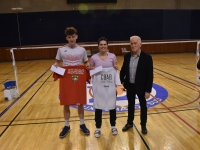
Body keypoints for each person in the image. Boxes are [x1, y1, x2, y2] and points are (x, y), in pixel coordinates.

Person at [54, 27, 90, 138]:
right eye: (69, 37)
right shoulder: (61, 49)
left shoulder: (82, 50)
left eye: (73, 36)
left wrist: (87, 65)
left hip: (78, 78)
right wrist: (55, 66)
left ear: (76, 36)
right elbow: (57, 62)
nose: (71, 39)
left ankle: (82, 124)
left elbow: (86, 62)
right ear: (66, 38)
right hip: (66, 78)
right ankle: (66, 125)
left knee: (80, 102)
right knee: (66, 102)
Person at [120, 36, 153, 134]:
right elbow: (123, 71)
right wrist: (121, 83)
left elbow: (149, 76)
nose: (133, 45)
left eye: (135, 43)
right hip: (129, 86)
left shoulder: (147, 58)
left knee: (143, 106)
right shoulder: (126, 56)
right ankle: (129, 122)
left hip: (142, 87)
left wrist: (148, 90)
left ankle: (143, 125)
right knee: (130, 105)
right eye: (131, 43)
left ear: (140, 44)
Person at [90, 37, 119, 138]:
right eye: (101, 45)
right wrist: (92, 68)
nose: (103, 46)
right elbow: (91, 70)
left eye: (104, 44)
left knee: (112, 107)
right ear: (98, 46)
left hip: (110, 86)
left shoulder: (112, 56)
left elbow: (115, 66)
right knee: (98, 107)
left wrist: (115, 67)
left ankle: (113, 126)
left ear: (107, 45)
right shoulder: (93, 58)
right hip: (99, 87)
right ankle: (98, 128)